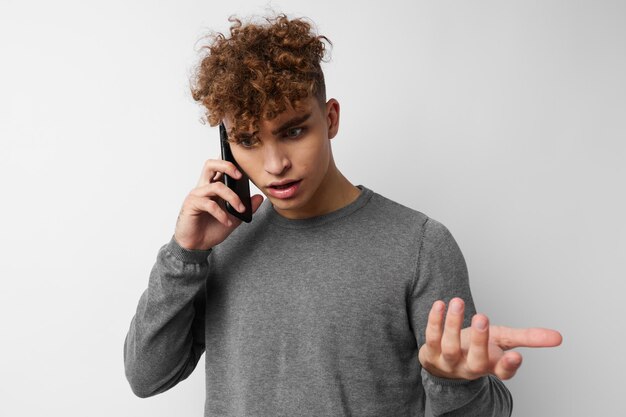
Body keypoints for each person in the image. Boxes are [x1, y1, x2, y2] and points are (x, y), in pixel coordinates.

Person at [123, 13, 562, 417]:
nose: (274, 164)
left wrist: (452, 381)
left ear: (330, 118)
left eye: (293, 131)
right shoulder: (220, 245)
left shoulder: (420, 245)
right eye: (249, 140)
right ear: (227, 146)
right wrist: (185, 255)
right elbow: (148, 378)